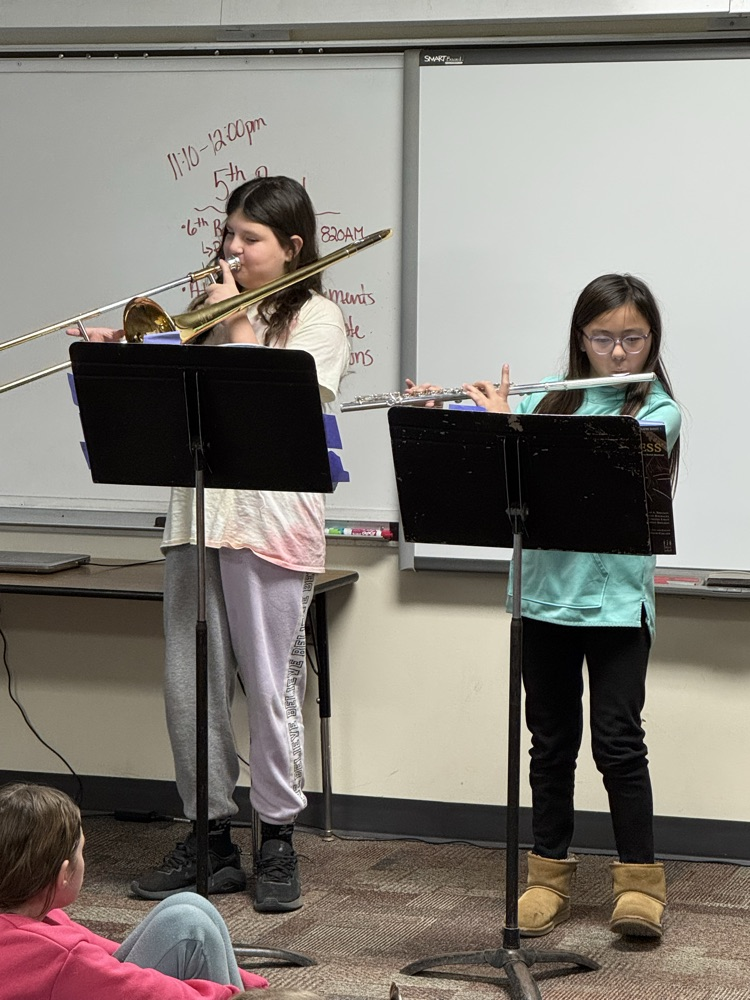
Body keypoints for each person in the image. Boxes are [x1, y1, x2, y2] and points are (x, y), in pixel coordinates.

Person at [75, 176, 349, 912]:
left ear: (292, 247)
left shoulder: (318, 318)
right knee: (188, 690)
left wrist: (232, 319)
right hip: (195, 520)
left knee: (271, 688)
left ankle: (277, 838)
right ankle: (210, 837)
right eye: (228, 233)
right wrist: (120, 358)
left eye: (249, 238)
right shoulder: (202, 312)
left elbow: (273, 394)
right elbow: (151, 402)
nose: (231, 248)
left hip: (270, 527)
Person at [428, 273, 680, 940]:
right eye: (603, 338)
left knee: (618, 742)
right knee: (550, 742)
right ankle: (547, 877)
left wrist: (517, 428)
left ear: (652, 340)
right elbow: (500, 476)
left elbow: (588, 467)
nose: (619, 353)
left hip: (616, 605)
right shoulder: (546, 397)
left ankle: (639, 884)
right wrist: (463, 421)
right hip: (541, 599)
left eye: (634, 339)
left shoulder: (656, 411)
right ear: (581, 339)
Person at [0, 782, 269, 1000]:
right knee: (190, 925)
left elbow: (105, 952)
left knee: (190, 906)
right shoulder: (64, 956)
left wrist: (250, 987)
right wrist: (234, 995)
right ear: (64, 875)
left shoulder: (38, 921)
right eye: (82, 850)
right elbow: (147, 990)